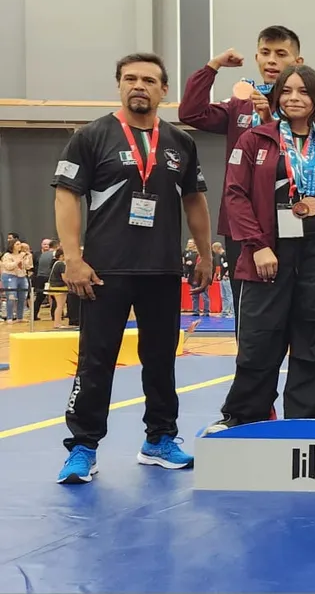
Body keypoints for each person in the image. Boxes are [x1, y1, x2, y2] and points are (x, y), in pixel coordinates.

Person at [52, 52, 212, 484]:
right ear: (119, 85)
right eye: (130, 78)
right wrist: (73, 258)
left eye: (148, 80)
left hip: (161, 270)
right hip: (104, 272)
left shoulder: (180, 142)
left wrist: (205, 253)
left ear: (164, 90)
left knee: (161, 361)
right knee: (96, 361)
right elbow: (66, 196)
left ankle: (159, 439)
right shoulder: (91, 136)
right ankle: (83, 447)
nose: (138, 85)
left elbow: (194, 199)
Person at [203, 64, 315, 434]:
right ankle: (243, 417)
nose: (294, 98)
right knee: (258, 340)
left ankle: (309, 421)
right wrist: (257, 246)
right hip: (267, 257)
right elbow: (235, 195)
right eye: (286, 91)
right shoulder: (254, 140)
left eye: (303, 91)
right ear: (276, 97)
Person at [178, 25, 304, 327]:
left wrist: (271, 119)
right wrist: (213, 66)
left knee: (298, 311)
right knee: (248, 312)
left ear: (297, 62)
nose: (271, 60)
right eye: (265, 53)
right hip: (242, 226)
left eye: (281, 54)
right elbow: (191, 113)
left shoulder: (304, 108)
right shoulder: (240, 105)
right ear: (256, 57)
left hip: (294, 222)